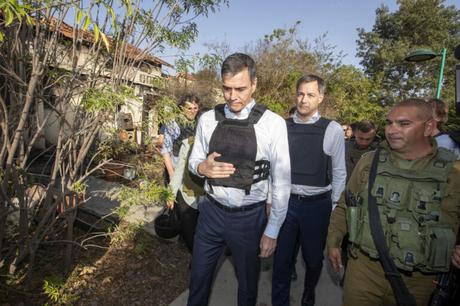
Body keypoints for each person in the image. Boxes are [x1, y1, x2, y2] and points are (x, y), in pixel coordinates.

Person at [327, 98, 460, 306]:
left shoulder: (453, 172)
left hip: (419, 281)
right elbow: (346, 203)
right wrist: (334, 240)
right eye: (389, 123)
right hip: (364, 270)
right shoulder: (369, 162)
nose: (392, 129)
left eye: (404, 123)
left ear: (429, 127)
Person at [187, 53, 291, 306]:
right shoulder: (207, 119)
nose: (233, 96)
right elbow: (193, 161)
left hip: (249, 218)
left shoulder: (273, 124)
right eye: (227, 88)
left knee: (247, 287)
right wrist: (201, 167)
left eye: (240, 89)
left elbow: (281, 181)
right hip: (211, 213)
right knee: (197, 280)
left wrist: (273, 229)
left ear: (254, 84)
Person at [272, 74, 346, 306]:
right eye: (300, 93)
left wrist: (334, 209)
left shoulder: (332, 129)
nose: (304, 100)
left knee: (313, 260)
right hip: (286, 204)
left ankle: (309, 290)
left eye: (310, 94)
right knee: (281, 260)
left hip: (318, 206)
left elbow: (339, 172)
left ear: (321, 97)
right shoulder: (281, 127)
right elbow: (271, 168)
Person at [166, 108, 210, 252]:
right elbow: (179, 171)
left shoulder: (223, 147)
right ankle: (195, 254)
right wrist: (171, 194)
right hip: (187, 196)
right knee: (189, 233)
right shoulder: (189, 143)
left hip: (209, 201)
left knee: (205, 235)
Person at [160, 94, 200, 181]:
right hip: (177, 168)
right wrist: (171, 174)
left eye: (195, 108)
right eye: (189, 108)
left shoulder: (200, 122)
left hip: (193, 170)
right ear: (182, 108)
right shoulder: (173, 124)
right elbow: (165, 150)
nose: (192, 111)